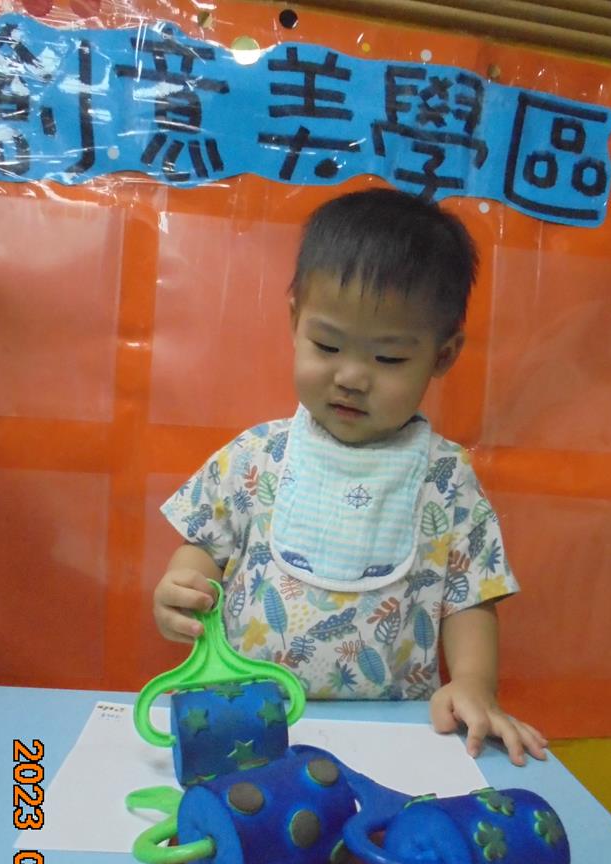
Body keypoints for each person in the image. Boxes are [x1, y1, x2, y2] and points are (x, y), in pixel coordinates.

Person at [154, 187, 547, 766]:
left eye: (389, 359)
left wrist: (473, 683)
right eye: (328, 345)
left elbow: (469, 598)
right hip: (247, 718)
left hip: (392, 732)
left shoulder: (446, 479)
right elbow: (205, 549)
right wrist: (183, 586)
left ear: (443, 355)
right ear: (295, 321)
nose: (352, 377)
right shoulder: (257, 455)